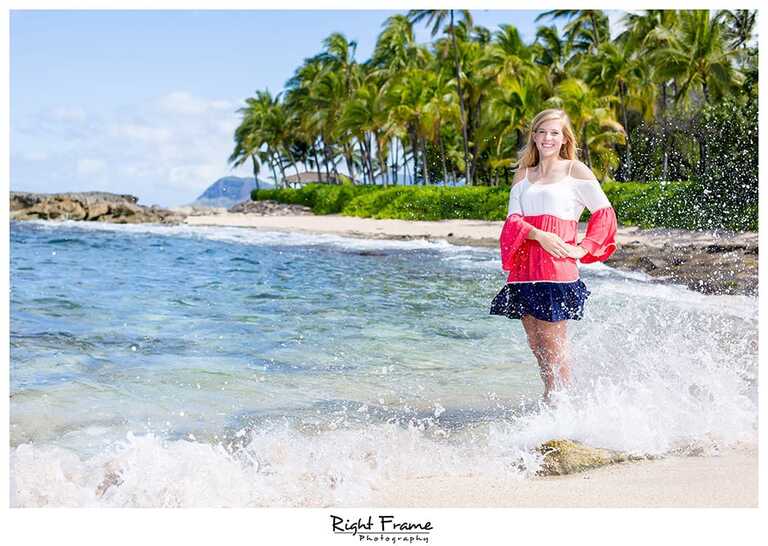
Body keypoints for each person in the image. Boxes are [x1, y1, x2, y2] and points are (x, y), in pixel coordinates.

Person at [489, 108, 618, 404]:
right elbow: (513, 221)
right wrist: (539, 235)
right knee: (536, 343)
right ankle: (551, 396)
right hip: (524, 271)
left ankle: (566, 402)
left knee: (554, 343)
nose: (548, 138)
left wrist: (582, 248)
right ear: (534, 136)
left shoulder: (576, 171)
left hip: (556, 270)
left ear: (564, 139)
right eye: (542, 132)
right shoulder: (523, 173)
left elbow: (604, 213)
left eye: (554, 133)